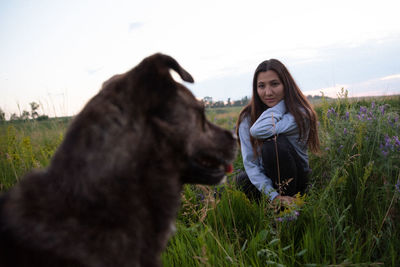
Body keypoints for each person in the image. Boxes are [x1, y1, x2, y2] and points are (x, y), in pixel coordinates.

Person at [235, 59, 320, 206]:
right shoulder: (247, 117)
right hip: (267, 181)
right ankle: (275, 204)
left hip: (296, 177)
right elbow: (251, 164)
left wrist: (283, 103)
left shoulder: (300, 114)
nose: (268, 92)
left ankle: (288, 208)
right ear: (255, 89)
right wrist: (273, 195)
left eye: (274, 84)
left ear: (286, 85)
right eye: (261, 86)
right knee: (241, 180)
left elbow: (258, 130)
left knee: (273, 144)